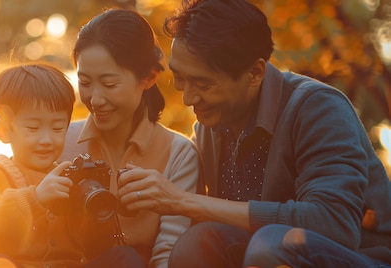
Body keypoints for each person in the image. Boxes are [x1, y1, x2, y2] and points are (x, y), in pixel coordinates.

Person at [114, 0, 391, 267]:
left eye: (203, 83)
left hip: (363, 258)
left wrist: (184, 201)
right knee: (198, 242)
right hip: (259, 255)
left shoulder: (318, 107)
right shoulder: (210, 127)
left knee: (274, 243)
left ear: (255, 73)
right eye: (180, 77)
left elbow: (334, 224)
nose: (187, 97)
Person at [0, 64, 145, 268]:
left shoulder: (73, 178)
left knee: (124, 257)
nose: (46, 139)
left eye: (57, 128)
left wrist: (107, 209)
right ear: (3, 130)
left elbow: (95, 247)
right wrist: (34, 199)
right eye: (33, 128)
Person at [59, 8, 200, 268]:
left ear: (148, 78)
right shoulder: (60, 143)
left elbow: (169, 253)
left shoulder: (178, 155)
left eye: (110, 84)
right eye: (85, 82)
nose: (95, 99)